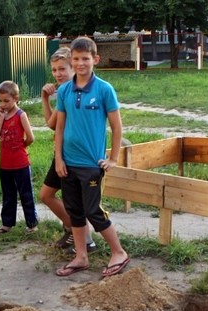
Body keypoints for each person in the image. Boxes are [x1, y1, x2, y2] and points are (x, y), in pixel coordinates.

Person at [53, 37, 130, 278]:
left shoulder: (104, 89)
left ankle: (118, 252)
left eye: (85, 58)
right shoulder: (65, 90)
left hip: (91, 165)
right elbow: (59, 128)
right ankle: (80, 256)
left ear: (95, 59)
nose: (80, 63)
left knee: (92, 210)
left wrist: (114, 158)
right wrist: (59, 159)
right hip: (68, 163)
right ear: (71, 60)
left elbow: (117, 127)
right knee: (74, 211)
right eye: (76, 59)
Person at [40, 48, 96, 253]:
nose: (57, 74)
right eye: (54, 70)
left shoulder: (75, 91)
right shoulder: (64, 92)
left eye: (62, 69)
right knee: (47, 195)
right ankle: (73, 230)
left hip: (76, 156)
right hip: (62, 153)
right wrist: (45, 99)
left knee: (76, 202)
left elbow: (53, 125)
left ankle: (85, 238)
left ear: (73, 68)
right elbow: (52, 124)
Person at [0, 80, 37, 234]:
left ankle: (32, 224)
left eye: (7, 101)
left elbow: (31, 137)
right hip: (5, 165)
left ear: (16, 98)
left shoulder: (20, 115)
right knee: (8, 195)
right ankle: (7, 224)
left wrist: (21, 146)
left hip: (21, 163)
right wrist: (1, 118)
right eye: (0, 101)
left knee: (26, 194)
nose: (3, 104)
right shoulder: (2, 116)